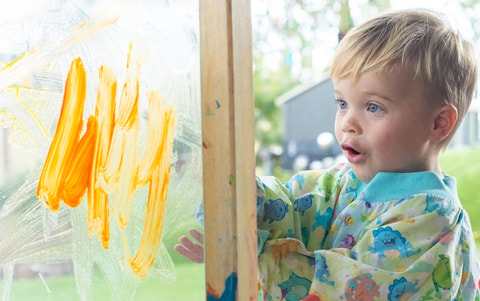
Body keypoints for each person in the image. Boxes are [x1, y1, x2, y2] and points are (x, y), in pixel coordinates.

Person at [176, 9, 480, 300]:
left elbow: (349, 288)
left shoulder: (432, 218)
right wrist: (229, 189)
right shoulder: (340, 184)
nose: (347, 122)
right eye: (342, 103)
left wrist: (247, 257)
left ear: (438, 123)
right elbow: (290, 208)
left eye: (373, 107)